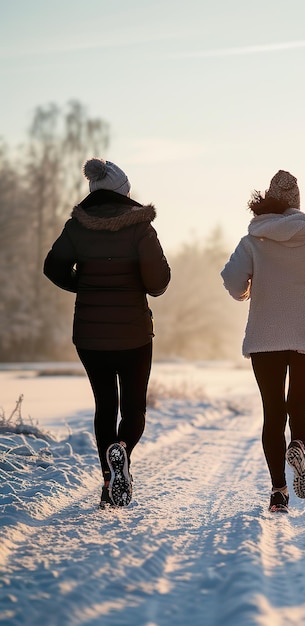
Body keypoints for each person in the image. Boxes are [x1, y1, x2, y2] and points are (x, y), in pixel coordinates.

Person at [221, 170, 305, 513]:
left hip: (265, 336)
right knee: (300, 406)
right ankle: (298, 444)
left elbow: (232, 282)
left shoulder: (253, 240)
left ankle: (279, 491)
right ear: (296, 202)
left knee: (273, 412)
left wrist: (250, 290)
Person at [43, 158, 171, 509]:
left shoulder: (77, 227)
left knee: (105, 406)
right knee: (133, 410)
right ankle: (123, 451)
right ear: (123, 192)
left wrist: (83, 286)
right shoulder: (141, 228)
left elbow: (52, 267)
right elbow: (158, 283)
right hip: (133, 333)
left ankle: (107, 481)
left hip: (90, 335)